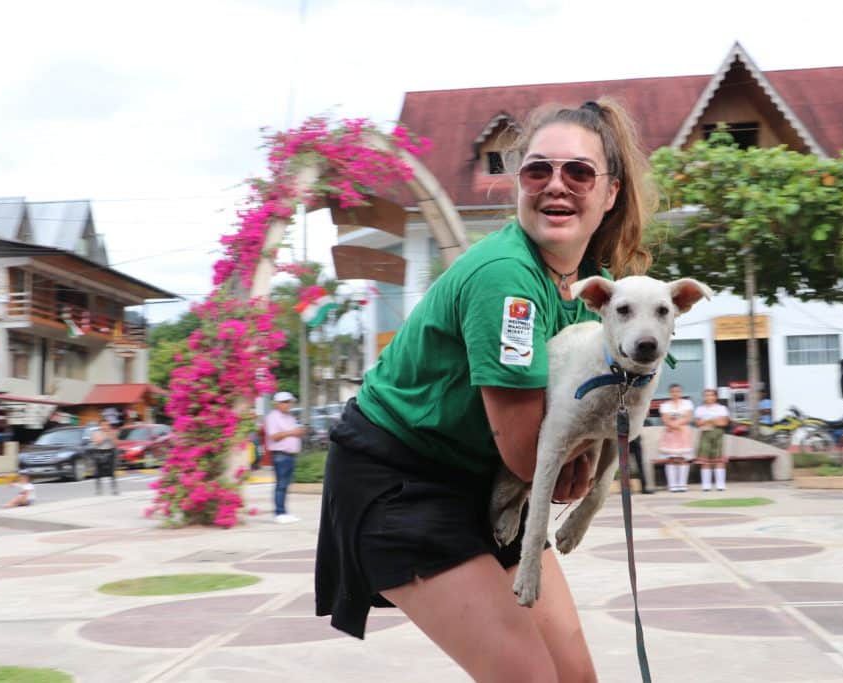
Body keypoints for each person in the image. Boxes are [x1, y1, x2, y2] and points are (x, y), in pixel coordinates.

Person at [315, 98, 652, 680]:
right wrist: (576, 457)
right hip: (403, 480)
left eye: (579, 172)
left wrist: (577, 456)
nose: (556, 185)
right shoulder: (507, 281)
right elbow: (528, 456)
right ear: (519, 182)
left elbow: (570, 440)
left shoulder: (594, 287)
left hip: (487, 484)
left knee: (577, 677)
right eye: (538, 170)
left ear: (610, 193)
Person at [264, 391, 305, 524]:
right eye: (285, 402)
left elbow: (294, 432)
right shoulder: (272, 417)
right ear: (278, 403)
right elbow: (274, 436)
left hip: (291, 455)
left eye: (289, 402)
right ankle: (279, 513)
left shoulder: (290, 417)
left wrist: (299, 432)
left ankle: (284, 512)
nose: (288, 405)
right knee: (281, 485)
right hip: (280, 455)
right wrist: (292, 432)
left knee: (286, 485)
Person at [660, 383, 695, 492]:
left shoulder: (687, 403)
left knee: (683, 459)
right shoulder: (665, 405)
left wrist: (677, 424)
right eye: (673, 391)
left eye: (677, 391)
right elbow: (665, 419)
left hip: (683, 433)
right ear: (670, 393)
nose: (675, 393)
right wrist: (674, 425)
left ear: (681, 392)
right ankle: (672, 485)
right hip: (670, 433)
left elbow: (688, 417)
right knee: (671, 459)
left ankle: (682, 484)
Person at [694, 388, 730, 491]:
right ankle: (706, 485)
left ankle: (720, 484)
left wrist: (707, 420)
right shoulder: (700, 409)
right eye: (706, 395)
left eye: (711, 395)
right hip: (705, 434)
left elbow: (724, 423)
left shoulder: (721, 408)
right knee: (705, 460)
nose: (709, 397)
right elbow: (698, 423)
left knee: (719, 459)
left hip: (718, 434)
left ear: (715, 397)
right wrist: (714, 420)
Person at [89, 419, 119, 495]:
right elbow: (97, 442)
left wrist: (112, 436)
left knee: (112, 472)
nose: (105, 426)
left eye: (107, 425)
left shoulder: (112, 432)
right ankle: (98, 490)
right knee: (98, 473)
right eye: (103, 425)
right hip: (100, 452)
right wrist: (105, 436)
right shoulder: (96, 433)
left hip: (110, 451)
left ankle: (114, 489)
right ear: (100, 426)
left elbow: (116, 443)